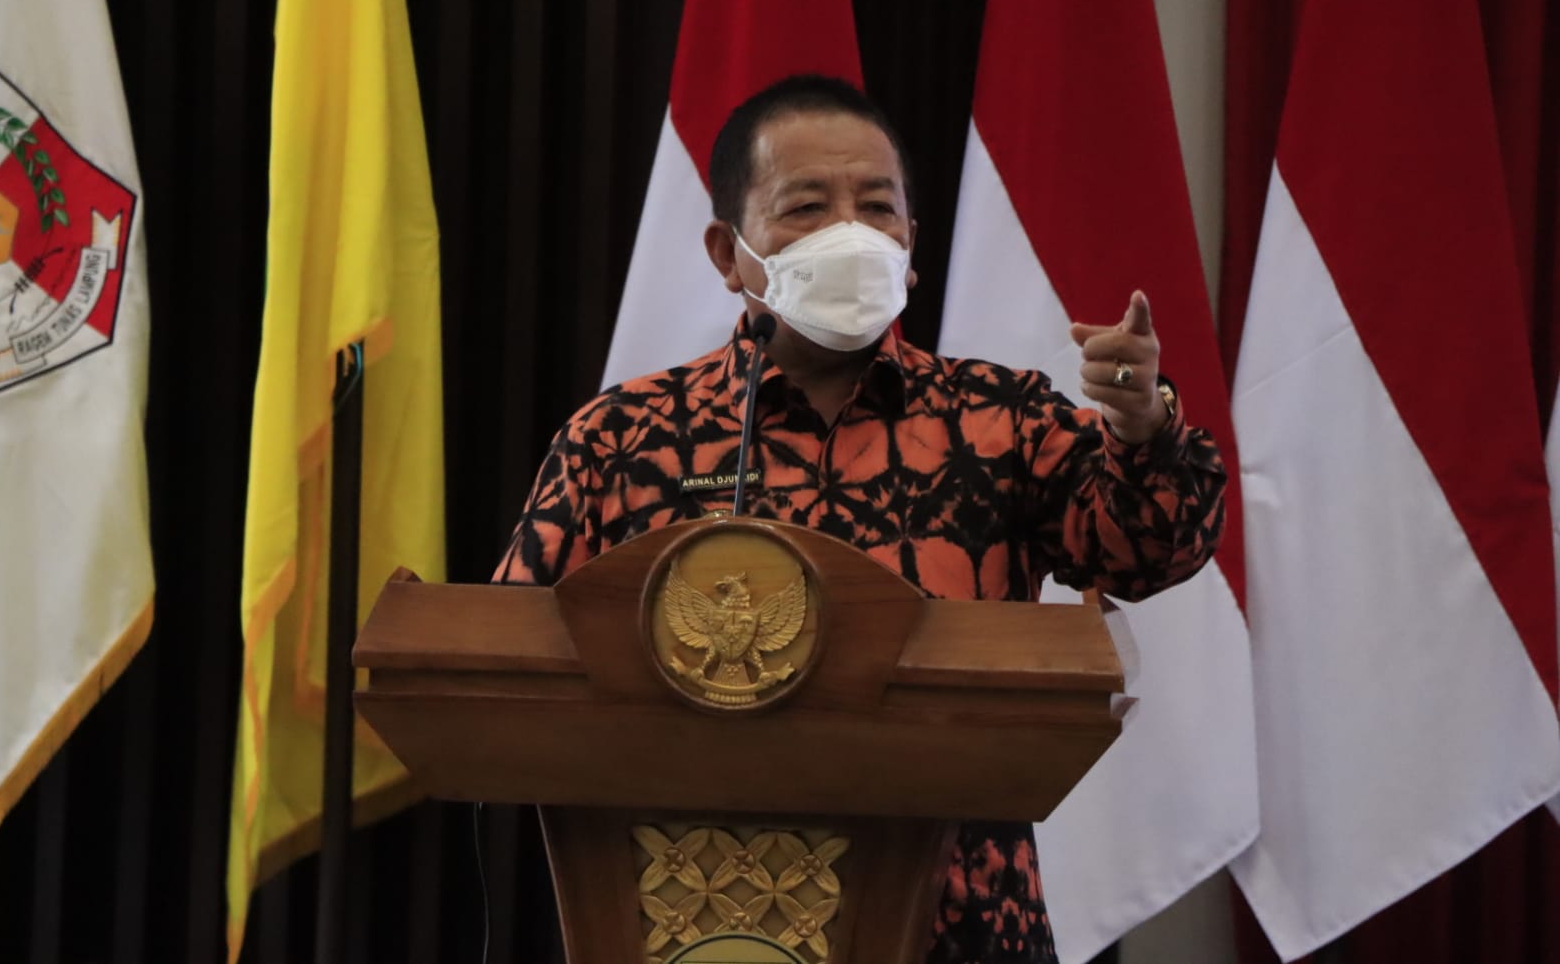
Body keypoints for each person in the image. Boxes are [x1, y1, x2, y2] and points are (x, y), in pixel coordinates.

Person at [494, 75, 1226, 964]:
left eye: (877, 207)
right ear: (727, 252)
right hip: (691, 919)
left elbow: (1152, 552)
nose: (850, 232)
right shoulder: (623, 438)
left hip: (959, 924)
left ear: (911, 244)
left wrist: (1142, 428)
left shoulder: (1002, 421)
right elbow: (509, 670)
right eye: (807, 206)